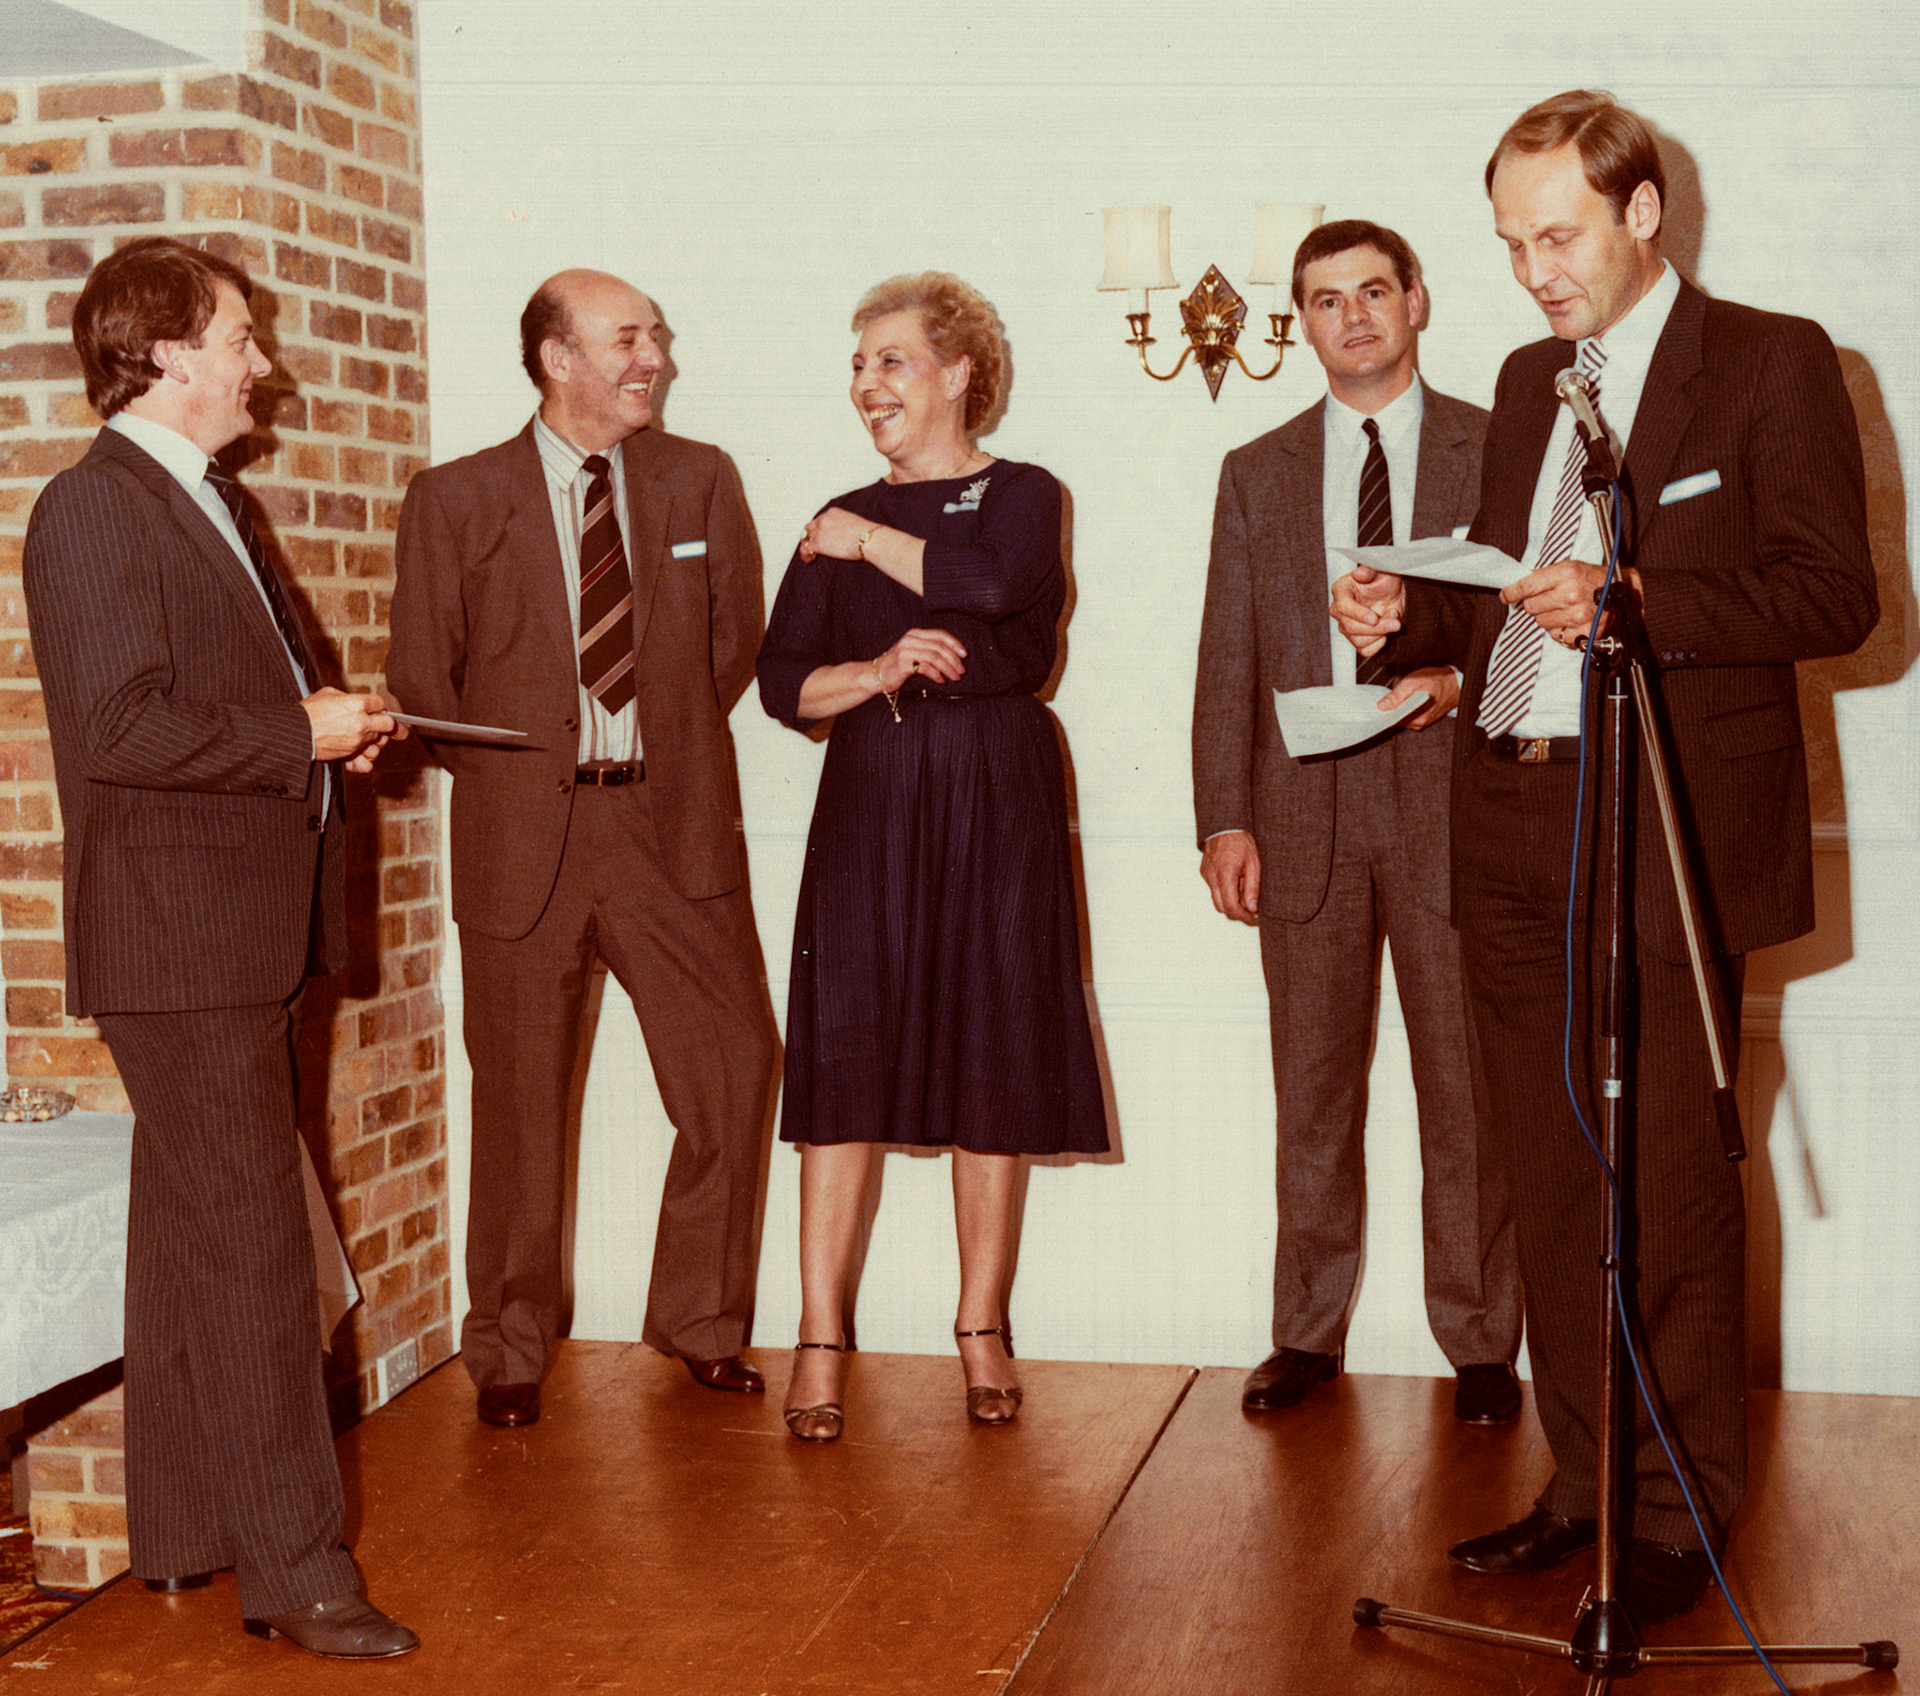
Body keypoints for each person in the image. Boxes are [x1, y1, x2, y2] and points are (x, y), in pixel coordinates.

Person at [1332, 90, 1877, 1621]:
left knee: (1671, 1189)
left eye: (1557, 235)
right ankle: (1584, 1484)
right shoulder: (1526, 380)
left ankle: (1677, 1521)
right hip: (1506, 801)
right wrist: (1409, 615)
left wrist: (1635, 595)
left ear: (1645, 214)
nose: (1534, 271)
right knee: (1552, 1168)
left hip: (1665, 814)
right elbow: (1515, 586)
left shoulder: (1772, 362)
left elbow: (1835, 596)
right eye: (1510, 242)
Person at [22, 236, 415, 1658]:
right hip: (180, 942)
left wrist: (329, 736)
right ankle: (301, 1575)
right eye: (241, 338)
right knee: (255, 1248)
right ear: (170, 350)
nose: (263, 364)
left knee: (195, 1232)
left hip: (230, 931)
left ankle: (184, 1534)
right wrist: (293, 735)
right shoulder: (90, 509)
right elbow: (115, 733)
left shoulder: (202, 502)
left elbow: (221, 711)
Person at [387, 269, 776, 1428]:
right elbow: (424, 679)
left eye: (656, 334)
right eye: (627, 338)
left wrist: (648, 753)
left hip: (672, 828)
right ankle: (508, 1346)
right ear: (558, 359)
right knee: (517, 1106)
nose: (653, 355)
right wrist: (537, 775)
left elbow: (731, 645)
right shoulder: (454, 498)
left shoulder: (700, 478)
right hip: (523, 838)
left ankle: (699, 1319)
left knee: (735, 1069)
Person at [757, 272, 1109, 1442]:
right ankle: (818, 1340)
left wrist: (865, 538)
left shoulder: (1018, 494)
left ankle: (980, 1330)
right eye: (860, 366)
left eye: (893, 362)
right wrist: (880, 669)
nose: (869, 386)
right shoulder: (831, 515)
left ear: (958, 373)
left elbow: (996, 587)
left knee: (994, 1052)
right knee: (845, 1053)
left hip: (997, 787)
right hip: (873, 790)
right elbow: (779, 685)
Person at [1193, 220, 1522, 1421]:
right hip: (1303, 817)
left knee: (1468, 1095)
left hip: (1455, 809)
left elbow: (1528, 618)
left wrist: (1451, 680)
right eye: (1326, 301)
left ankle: (1483, 1342)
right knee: (1313, 1090)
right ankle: (1307, 1333)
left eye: (1374, 291)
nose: (1356, 316)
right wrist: (1222, 818)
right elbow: (1226, 651)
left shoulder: (1499, 447)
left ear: (1418, 301)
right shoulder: (1258, 468)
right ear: (1305, 324)